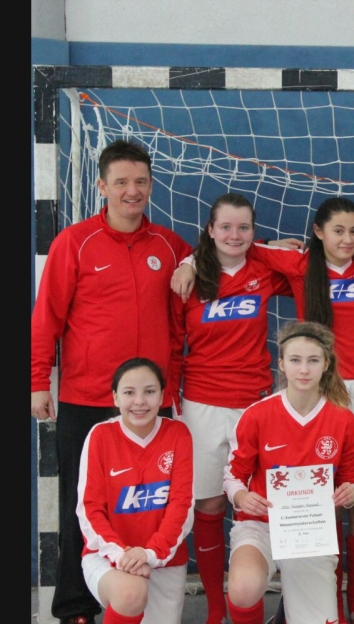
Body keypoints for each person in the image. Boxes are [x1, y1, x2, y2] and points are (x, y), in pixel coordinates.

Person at [30, 139, 192, 624]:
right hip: (87, 399)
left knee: (148, 503)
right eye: (121, 182)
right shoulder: (74, 242)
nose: (131, 191)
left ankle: (136, 594)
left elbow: (216, 260)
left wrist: (193, 261)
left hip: (152, 402)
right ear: (102, 186)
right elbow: (46, 317)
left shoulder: (170, 246)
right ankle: (75, 608)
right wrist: (38, 380)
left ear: (151, 185)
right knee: (81, 507)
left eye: (140, 181)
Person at [242, 197, 354, 624]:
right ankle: (323, 601)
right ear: (318, 231)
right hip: (316, 387)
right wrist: (274, 243)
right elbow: (240, 245)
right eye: (338, 231)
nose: (347, 239)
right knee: (320, 504)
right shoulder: (299, 265)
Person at [168, 193, 292, 624]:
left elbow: (309, 267)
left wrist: (272, 249)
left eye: (244, 228)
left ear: (254, 232)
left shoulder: (264, 270)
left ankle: (266, 600)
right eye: (225, 227)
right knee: (207, 507)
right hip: (200, 406)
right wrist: (189, 261)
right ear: (210, 230)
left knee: (256, 504)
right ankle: (215, 609)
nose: (234, 235)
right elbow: (173, 343)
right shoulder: (189, 278)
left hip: (254, 405)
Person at [222, 321, 354, 624]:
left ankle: (290, 614)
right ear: (282, 364)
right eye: (295, 360)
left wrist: (351, 493)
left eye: (313, 360)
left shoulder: (342, 419)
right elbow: (233, 476)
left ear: (326, 364)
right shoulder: (257, 414)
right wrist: (243, 498)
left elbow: (352, 479)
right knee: (244, 588)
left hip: (310, 529)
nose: (304, 369)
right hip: (260, 525)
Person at [76, 358, 195, 624]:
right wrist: (123, 555)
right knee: (131, 593)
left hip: (164, 558)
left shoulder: (178, 433)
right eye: (129, 392)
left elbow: (182, 505)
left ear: (162, 396)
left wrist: (150, 553)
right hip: (108, 555)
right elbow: (90, 509)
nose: (139, 401)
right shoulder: (100, 435)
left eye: (149, 391)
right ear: (115, 397)